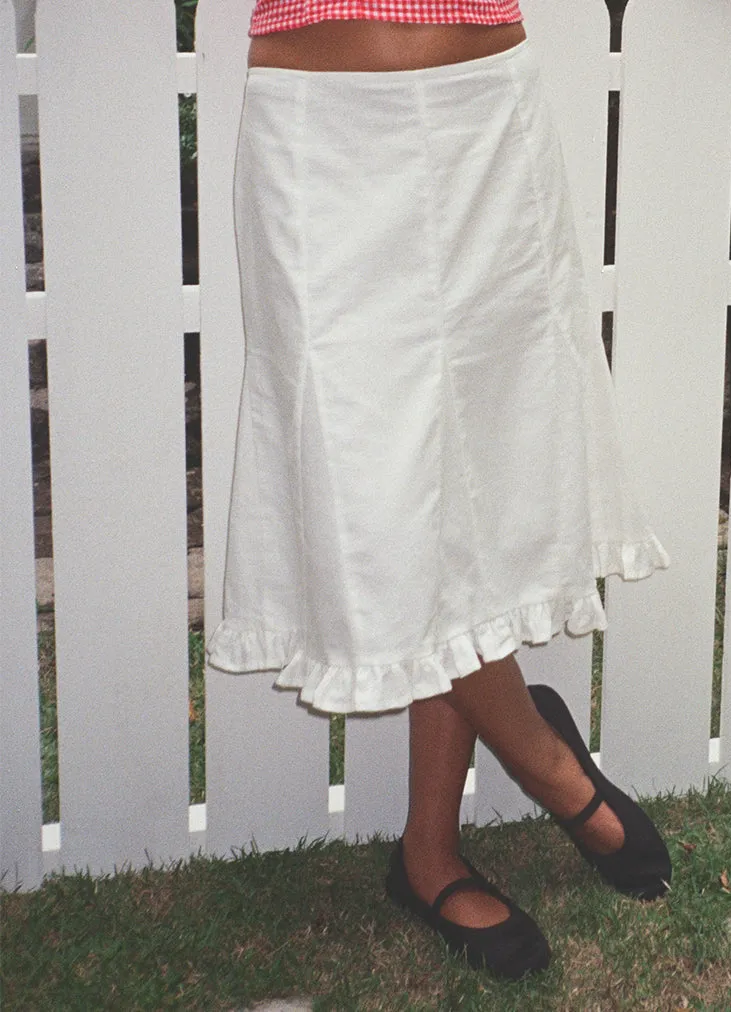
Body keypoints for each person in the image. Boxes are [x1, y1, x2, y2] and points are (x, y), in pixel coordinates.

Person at [206, 2, 672, 981]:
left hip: (481, 114)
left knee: (474, 477)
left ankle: (427, 852)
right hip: (317, 127)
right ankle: (545, 760)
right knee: (375, 493)